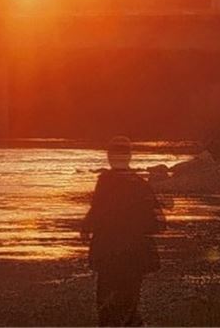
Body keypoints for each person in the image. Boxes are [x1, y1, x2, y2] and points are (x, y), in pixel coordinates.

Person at [81, 136, 165, 326]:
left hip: (109, 252)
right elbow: (157, 223)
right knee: (129, 302)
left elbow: (96, 211)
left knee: (107, 302)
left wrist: (87, 227)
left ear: (110, 156)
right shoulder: (139, 183)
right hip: (134, 254)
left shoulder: (105, 182)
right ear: (129, 156)